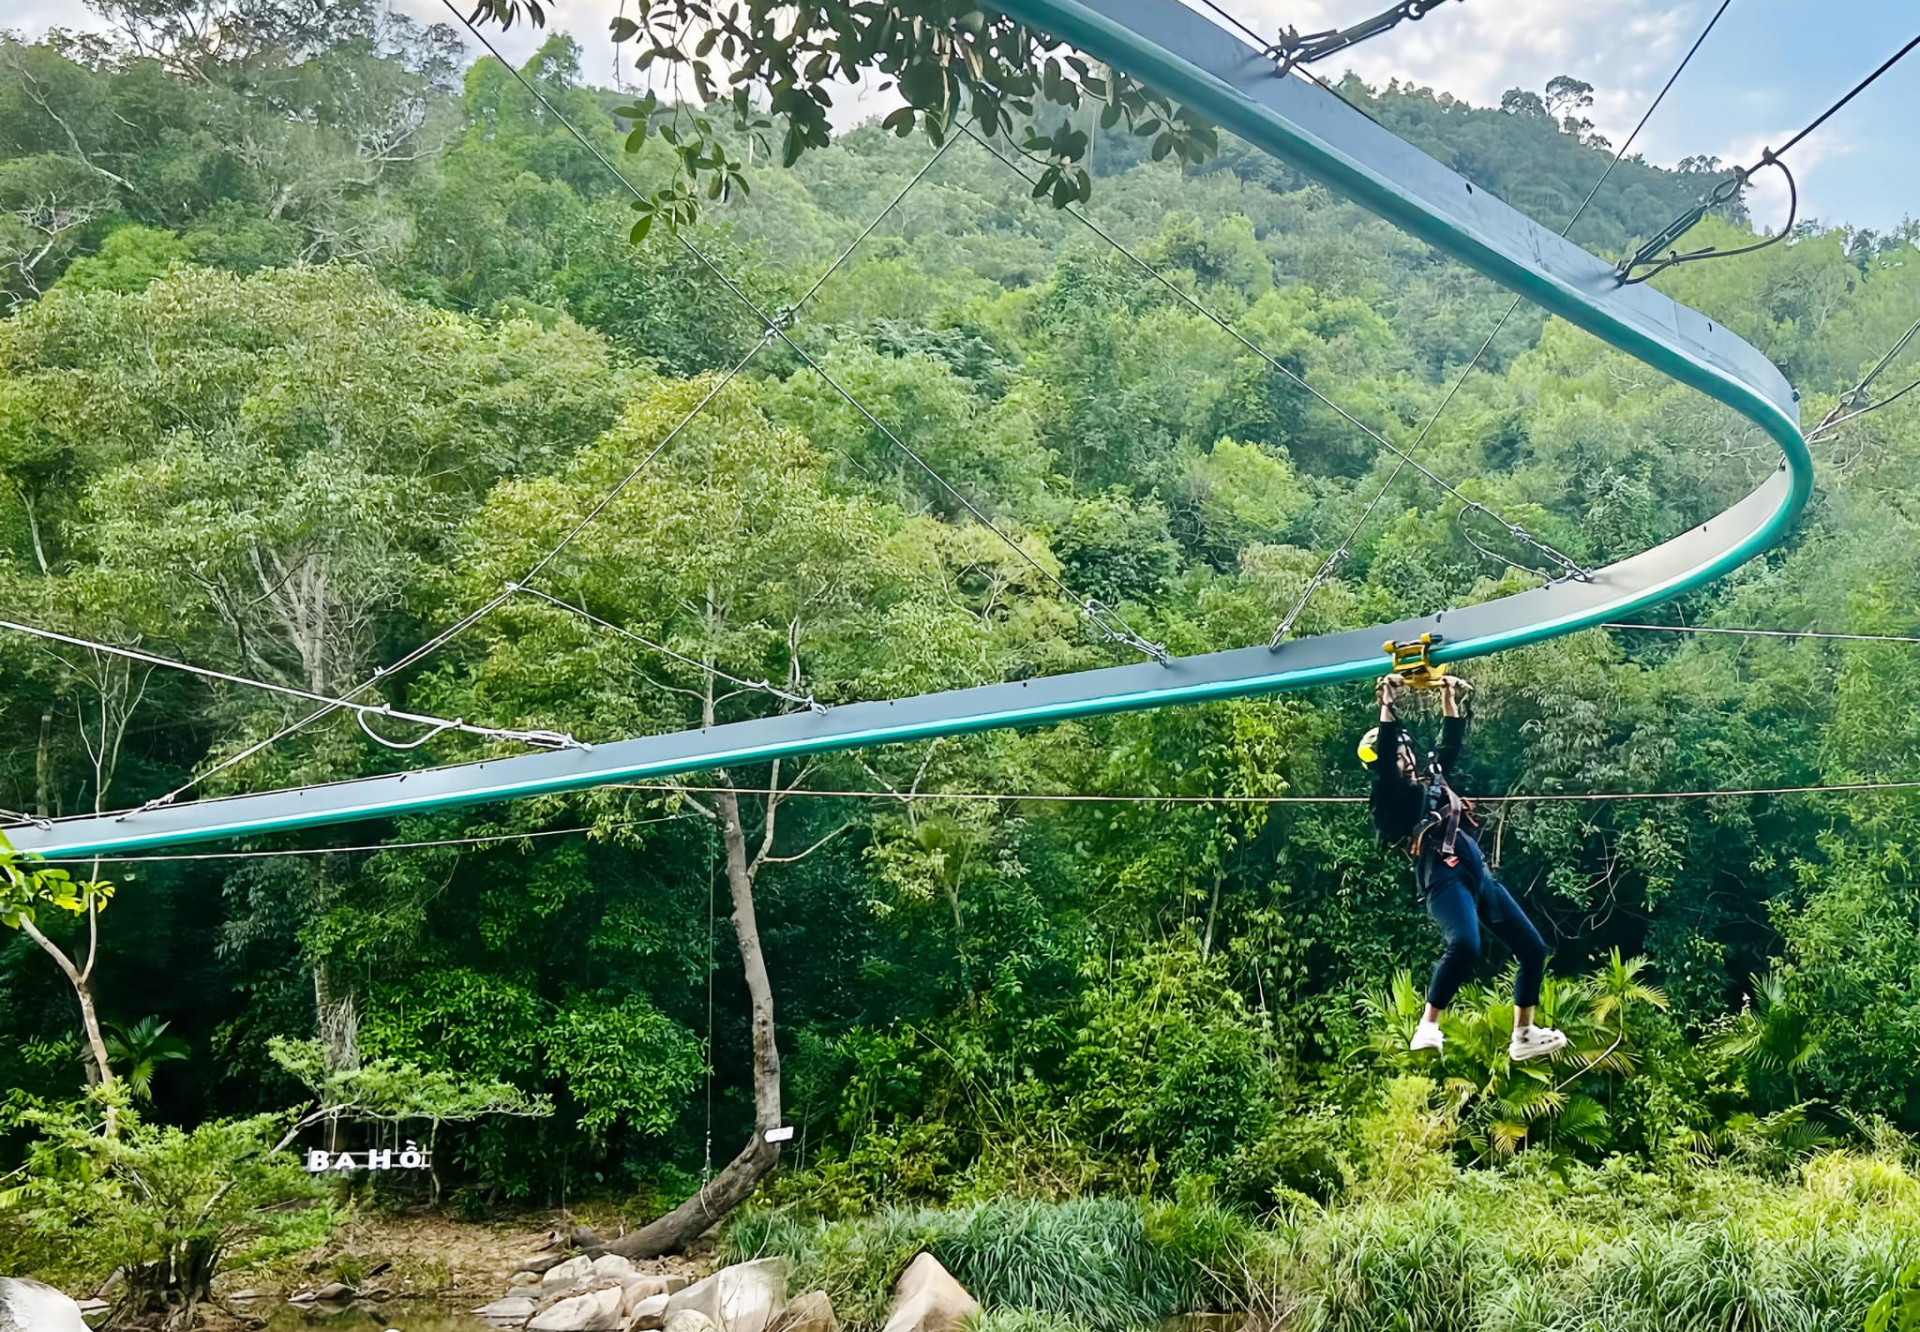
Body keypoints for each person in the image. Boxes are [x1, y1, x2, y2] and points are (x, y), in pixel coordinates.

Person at [1360, 671, 1568, 1062]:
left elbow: (1447, 747)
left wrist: (1449, 696)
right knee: (1466, 945)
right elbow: (1387, 754)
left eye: (1407, 752)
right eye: (1399, 754)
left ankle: (1523, 1033)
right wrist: (1386, 703)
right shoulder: (1387, 795)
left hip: (1476, 875)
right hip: (1442, 875)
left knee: (1533, 949)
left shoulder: (1429, 783)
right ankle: (1429, 1025)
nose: (1406, 758)